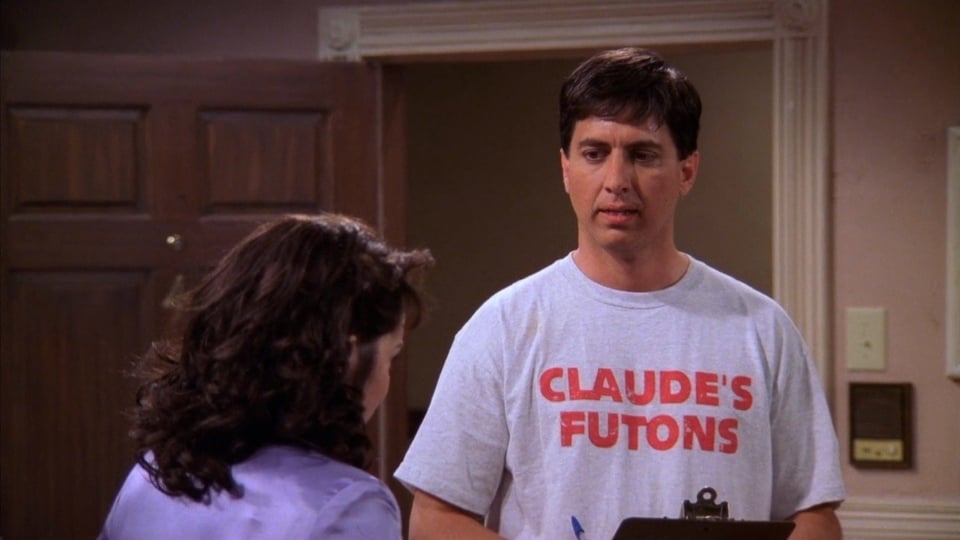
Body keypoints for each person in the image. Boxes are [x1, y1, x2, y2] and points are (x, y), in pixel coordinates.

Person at [395, 47, 845, 540]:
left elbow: (815, 516)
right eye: (594, 154)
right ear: (566, 169)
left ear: (687, 171)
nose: (616, 181)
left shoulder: (760, 328)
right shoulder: (505, 325)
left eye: (642, 155)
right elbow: (434, 520)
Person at [99, 213, 433, 539]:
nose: (387, 378)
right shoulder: (348, 507)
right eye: (391, 356)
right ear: (348, 355)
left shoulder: (151, 474)